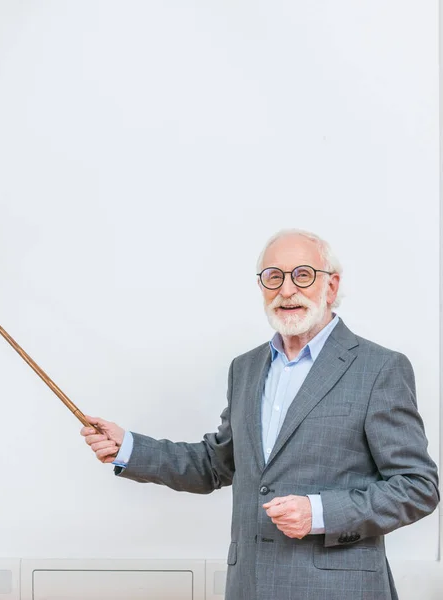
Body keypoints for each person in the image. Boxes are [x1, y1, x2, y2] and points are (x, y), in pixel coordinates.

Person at [81, 229, 439, 600]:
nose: (286, 290)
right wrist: (129, 448)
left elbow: (417, 487)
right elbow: (216, 465)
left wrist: (318, 513)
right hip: (251, 586)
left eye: (302, 275)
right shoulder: (246, 369)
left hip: (338, 589)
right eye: (273, 277)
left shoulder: (379, 368)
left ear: (331, 287)